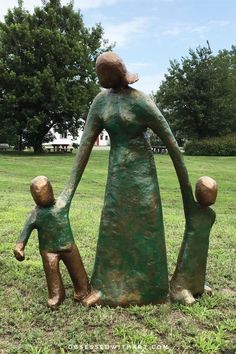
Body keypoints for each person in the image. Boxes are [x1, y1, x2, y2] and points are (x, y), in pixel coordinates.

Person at [61, 51, 202, 307]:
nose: (98, 76)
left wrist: (187, 194)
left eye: (102, 72)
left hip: (143, 176)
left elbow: (171, 143)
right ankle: (105, 287)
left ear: (115, 74)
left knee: (146, 231)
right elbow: (84, 147)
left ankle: (153, 291)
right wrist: (66, 193)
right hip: (118, 176)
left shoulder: (140, 101)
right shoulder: (100, 103)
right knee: (112, 226)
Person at [14, 175, 89, 309]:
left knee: (77, 271)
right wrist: (19, 247)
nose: (42, 197)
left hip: (68, 247)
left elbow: (74, 178)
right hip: (48, 251)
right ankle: (57, 295)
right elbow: (25, 231)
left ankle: (82, 290)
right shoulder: (35, 214)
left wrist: (84, 152)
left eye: (45, 192)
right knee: (52, 273)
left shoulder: (62, 202)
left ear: (51, 190)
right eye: (37, 195)